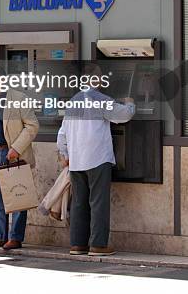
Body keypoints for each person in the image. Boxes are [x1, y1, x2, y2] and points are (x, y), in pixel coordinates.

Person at [57, 69, 135, 257]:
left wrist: (65, 154)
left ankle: (77, 244)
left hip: (76, 161)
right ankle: (98, 245)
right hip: (97, 159)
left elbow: (61, 135)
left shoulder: (73, 101)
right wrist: (131, 104)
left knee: (79, 203)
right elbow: (123, 115)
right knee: (98, 202)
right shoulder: (100, 99)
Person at [0, 65, 39, 250]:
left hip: (15, 155)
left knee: (18, 197)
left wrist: (15, 148)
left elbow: (32, 126)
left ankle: (15, 237)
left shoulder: (19, 98)